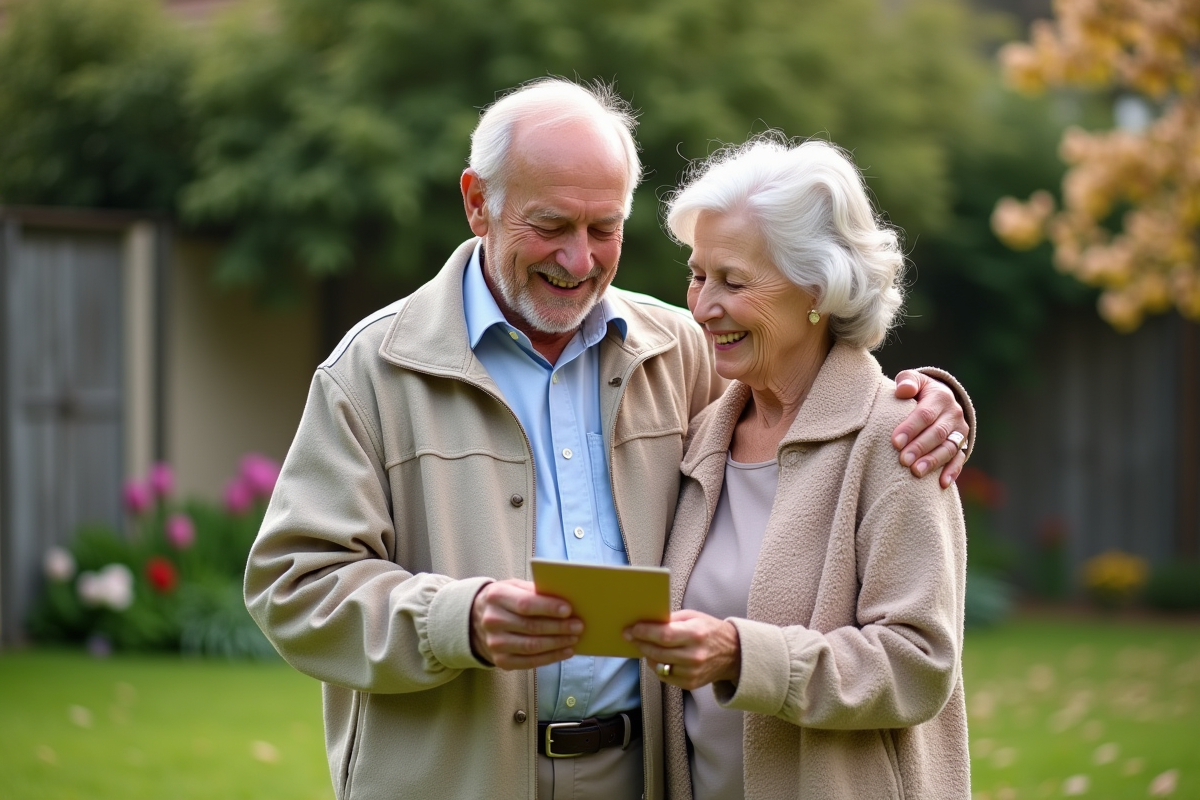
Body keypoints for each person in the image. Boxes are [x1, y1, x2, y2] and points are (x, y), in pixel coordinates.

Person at [244, 79, 972, 800]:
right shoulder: (372, 371)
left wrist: (934, 402)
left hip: (643, 774)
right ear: (477, 203)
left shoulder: (681, 351)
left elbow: (816, 402)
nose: (579, 260)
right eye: (552, 226)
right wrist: (455, 620)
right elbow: (293, 585)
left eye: (605, 229)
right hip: (457, 779)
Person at [626, 135, 971, 800]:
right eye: (698, 275)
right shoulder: (701, 437)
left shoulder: (897, 438)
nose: (702, 306)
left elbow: (918, 663)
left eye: (733, 280)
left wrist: (742, 656)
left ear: (818, 287)